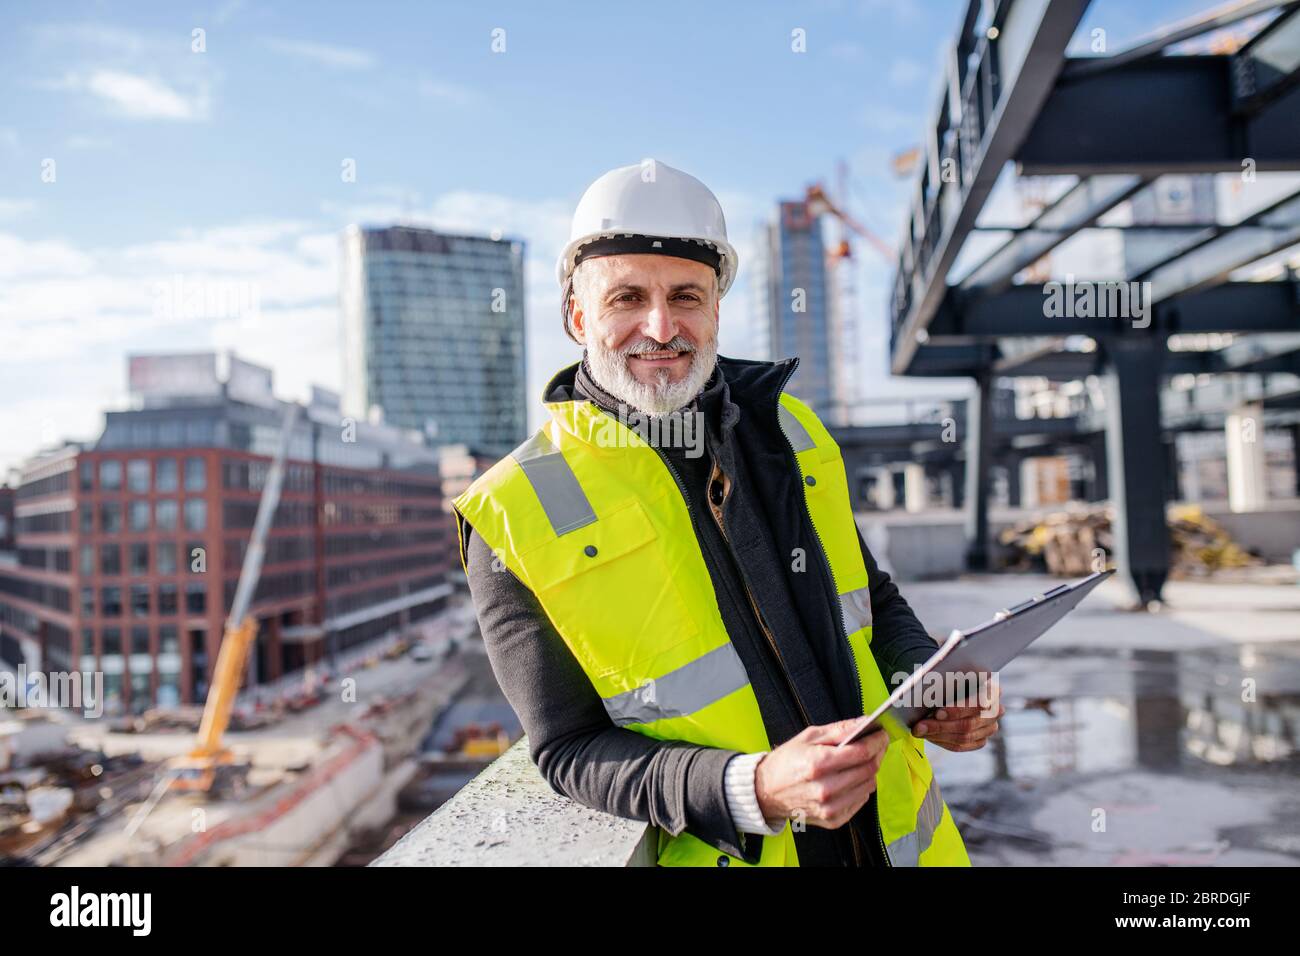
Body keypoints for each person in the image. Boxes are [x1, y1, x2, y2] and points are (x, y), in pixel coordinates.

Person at [452, 159, 1000, 866]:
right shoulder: (512, 510)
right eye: (626, 298)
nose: (661, 326)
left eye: (686, 295)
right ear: (578, 315)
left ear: (716, 308)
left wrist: (930, 685)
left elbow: (871, 601)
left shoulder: (791, 432)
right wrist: (754, 788)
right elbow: (568, 748)